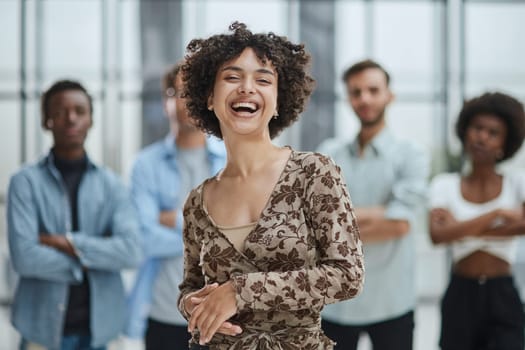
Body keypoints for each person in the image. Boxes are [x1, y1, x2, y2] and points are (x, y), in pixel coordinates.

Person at [176, 22, 364, 350]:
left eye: (263, 80)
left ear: (277, 101)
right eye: (232, 77)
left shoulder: (314, 173)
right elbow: (190, 286)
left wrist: (240, 291)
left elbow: (348, 275)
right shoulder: (198, 201)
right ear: (209, 96)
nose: (247, 88)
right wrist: (190, 305)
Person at [6, 80, 142, 350]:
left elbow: (131, 251)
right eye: (60, 111)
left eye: (80, 110)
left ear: (91, 119)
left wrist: (66, 242)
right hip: (41, 332)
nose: (71, 118)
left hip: (101, 332)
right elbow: (24, 257)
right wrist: (89, 260)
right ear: (46, 121)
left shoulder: (113, 185)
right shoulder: (24, 182)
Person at [318, 59, 429, 350]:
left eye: (372, 90)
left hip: (392, 302)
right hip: (336, 304)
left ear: (389, 95)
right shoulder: (329, 154)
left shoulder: (411, 155)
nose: (364, 98)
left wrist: (339, 221)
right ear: (349, 98)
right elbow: (315, 222)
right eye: (356, 92)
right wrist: (381, 215)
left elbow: (400, 224)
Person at [124, 62, 226, 349]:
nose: (184, 101)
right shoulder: (145, 165)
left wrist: (174, 220)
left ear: (207, 100)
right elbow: (143, 239)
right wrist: (209, 229)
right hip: (164, 314)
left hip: (219, 315)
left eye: (192, 92)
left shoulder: (231, 161)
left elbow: (242, 235)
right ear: (165, 101)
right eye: (176, 93)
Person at [429, 92, 525, 350]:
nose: (482, 137)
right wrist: (496, 216)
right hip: (461, 294)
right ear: (465, 132)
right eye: (477, 128)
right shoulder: (444, 184)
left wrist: (459, 228)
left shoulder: (517, 183)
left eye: (493, 133)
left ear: (504, 144)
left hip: (502, 294)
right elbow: (437, 236)